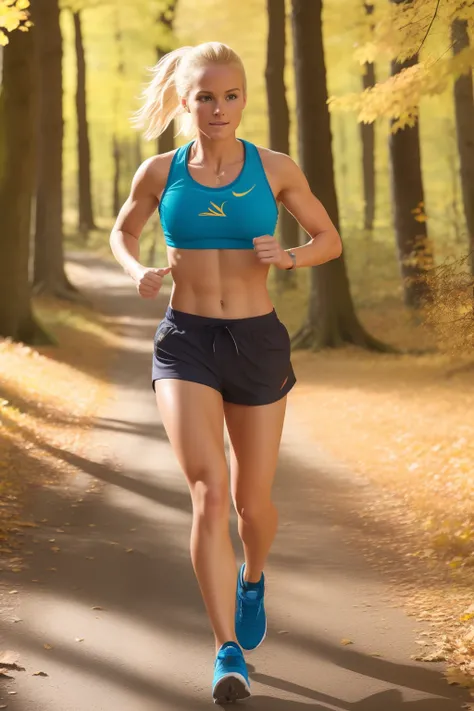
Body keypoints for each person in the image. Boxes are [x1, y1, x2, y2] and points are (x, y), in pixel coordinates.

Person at [110, 41, 342, 704]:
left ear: (245, 98)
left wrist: (291, 257)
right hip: (185, 341)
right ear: (184, 99)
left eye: (231, 94)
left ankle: (254, 574)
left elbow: (329, 237)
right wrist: (138, 271)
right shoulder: (160, 172)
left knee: (252, 502)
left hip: (257, 341)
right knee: (210, 491)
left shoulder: (273, 168)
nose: (218, 107)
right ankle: (226, 650)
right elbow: (123, 233)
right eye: (205, 95)